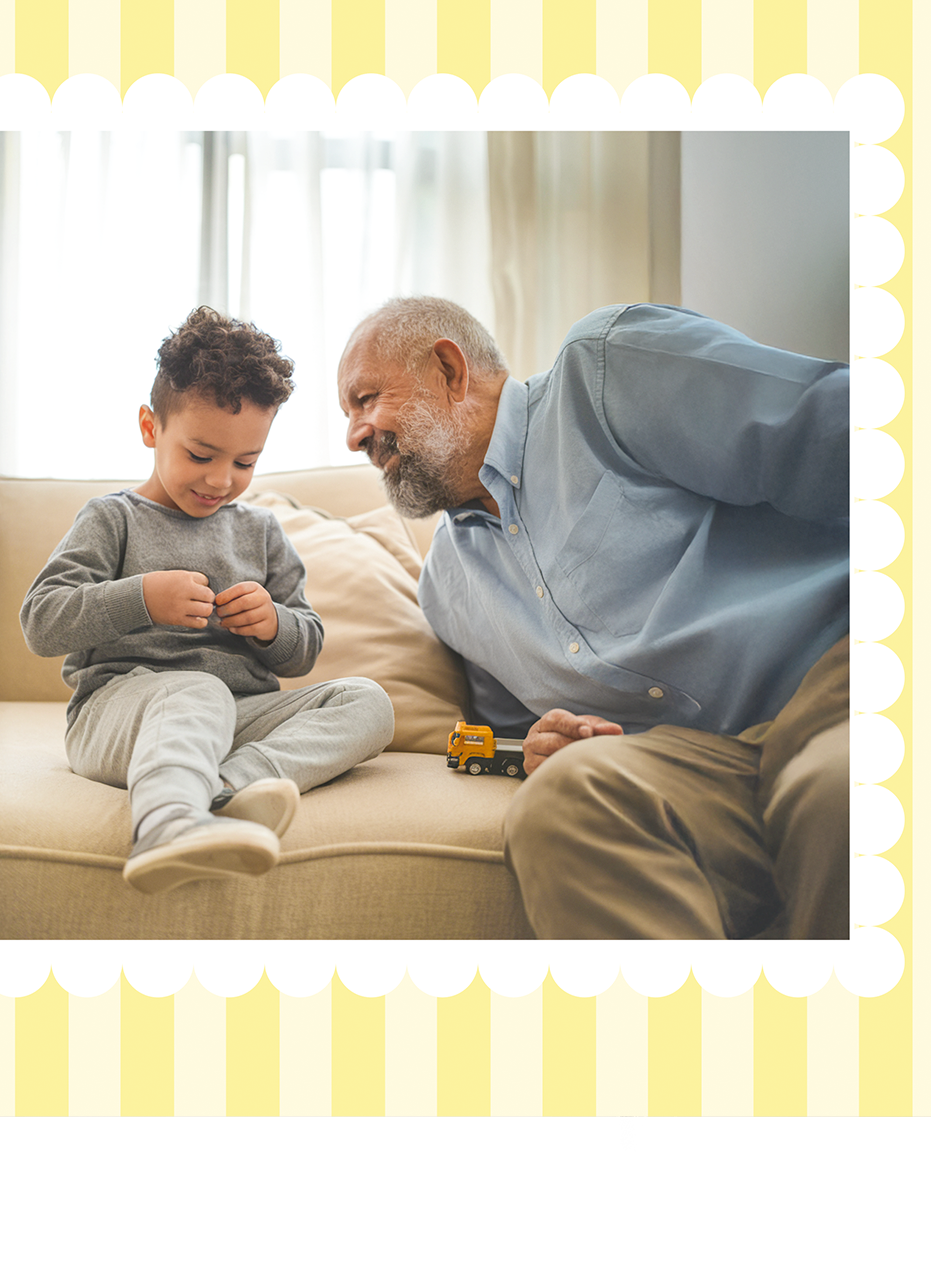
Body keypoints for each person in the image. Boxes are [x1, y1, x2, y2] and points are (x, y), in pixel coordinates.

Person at [337, 296, 850, 940]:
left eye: (365, 400)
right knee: (561, 804)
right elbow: (521, 735)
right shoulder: (447, 590)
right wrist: (544, 743)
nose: (354, 434)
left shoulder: (606, 371)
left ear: (449, 370)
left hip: (838, 687)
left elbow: (846, 432)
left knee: (841, 793)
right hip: (695, 771)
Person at [21, 307, 394, 896]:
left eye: (245, 462)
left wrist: (273, 626)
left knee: (368, 702)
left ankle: (226, 791)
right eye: (201, 455)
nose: (221, 480)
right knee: (197, 691)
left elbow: (304, 652)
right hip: (121, 715)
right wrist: (141, 597)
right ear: (151, 428)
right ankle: (167, 826)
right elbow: (41, 621)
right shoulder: (112, 518)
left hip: (236, 718)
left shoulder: (262, 532)